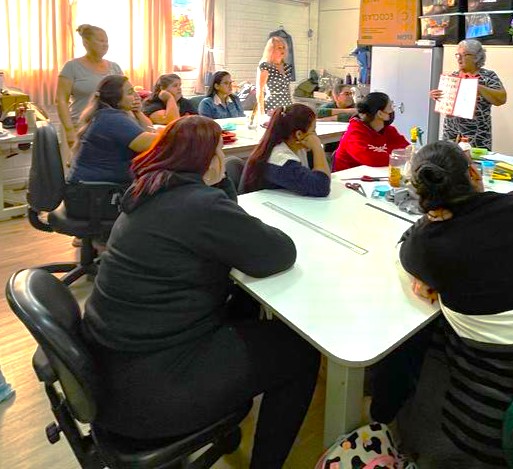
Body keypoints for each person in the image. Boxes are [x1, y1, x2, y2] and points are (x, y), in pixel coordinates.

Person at [81, 116, 320, 469]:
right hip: (153, 391)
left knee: (243, 304)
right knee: (299, 352)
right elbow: (279, 253)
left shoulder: (147, 190)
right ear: (207, 160)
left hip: (112, 367)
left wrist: (217, 188)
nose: (223, 161)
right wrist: (220, 186)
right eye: (219, 153)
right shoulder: (198, 205)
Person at [372, 140, 513, 466]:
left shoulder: (429, 246)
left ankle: (390, 416)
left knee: (422, 334)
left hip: (503, 418)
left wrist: (434, 245)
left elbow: (403, 249)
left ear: (419, 193)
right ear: (474, 173)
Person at [68, 75, 157, 185]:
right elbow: (148, 143)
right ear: (116, 99)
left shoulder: (105, 114)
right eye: (130, 93)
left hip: (90, 187)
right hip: (97, 193)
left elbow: (149, 130)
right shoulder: (112, 119)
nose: (136, 96)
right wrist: (177, 130)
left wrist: (138, 112)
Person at [430, 39, 506, 150]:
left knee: (475, 166)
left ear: (477, 57)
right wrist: (437, 95)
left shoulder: (487, 76)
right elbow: (448, 102)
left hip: (477, 137)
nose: (459, 59)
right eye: (457, 55)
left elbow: (501, 99)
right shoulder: (453, 76)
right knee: (448, 163)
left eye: (464, 55)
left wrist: (477, 88)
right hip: (451, 135)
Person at [239, 104, 330, 197]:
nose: (315, 136)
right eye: (313, 131)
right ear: (299, 134)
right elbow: (321, 187)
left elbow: (322, 175)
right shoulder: (280, 159)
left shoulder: (298, 148)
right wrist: (317, 146)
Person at [57, 25, 123, 149]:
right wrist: (69, 130)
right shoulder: (71, 67)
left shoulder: (115, 67)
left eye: (107, 41)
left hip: (111, 127)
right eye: (101, 41)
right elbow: (61, 101)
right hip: (81, 127)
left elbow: (125, 96)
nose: (105, 45)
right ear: (86, 43)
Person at [332, 92, 410, 171]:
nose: (392, 110)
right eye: (390, 107)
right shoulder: (354, 134)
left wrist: (395, 156)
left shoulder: (389, 130)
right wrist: (397, 156)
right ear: (380, 114)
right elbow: (371, 159)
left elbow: (407, 148)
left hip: (374, 174)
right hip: (347, 179)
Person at [256, 36, 294, 119]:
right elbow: (260, 90)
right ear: (271, 50)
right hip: (272, 105)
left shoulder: (287, 67)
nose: (282, 50)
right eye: (279, 48)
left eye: (283, 48)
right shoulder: (265, 66)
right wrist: (261, 111)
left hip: (287, 104)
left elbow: (288, 88)